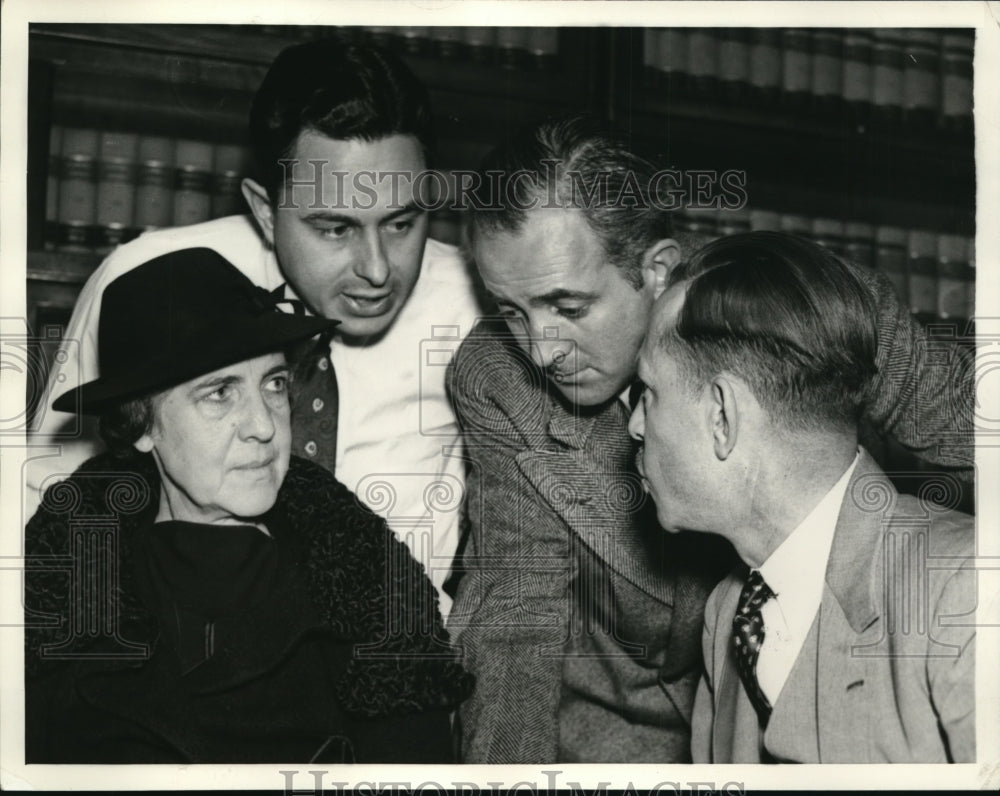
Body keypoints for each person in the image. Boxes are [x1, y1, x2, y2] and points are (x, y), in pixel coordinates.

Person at [446, 115, 974, 763]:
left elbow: (970, 422)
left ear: (659, 270)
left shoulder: (799, 303)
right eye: (510, 309)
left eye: (570, 307)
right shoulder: (497, 377)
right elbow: (515, 622)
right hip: (611, 737)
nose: (541, 349)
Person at [27, 41, 483, 616]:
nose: (377, 269)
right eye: (335, 229)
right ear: (266, 211)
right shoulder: (148, 284)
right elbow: (45, 503)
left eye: (400, 222)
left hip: (393, 662)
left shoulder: (477, 306)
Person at [24, 247, 472, 764]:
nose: (264, 426)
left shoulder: (367, 590)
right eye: (219, 394)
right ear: (142, 423)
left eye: (274, 385)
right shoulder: (72, 584)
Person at [628, 232, 975, 763]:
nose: (633, 426)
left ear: (722, 416)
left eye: (648, 393)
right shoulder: (728, 613)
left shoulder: (964, 591)